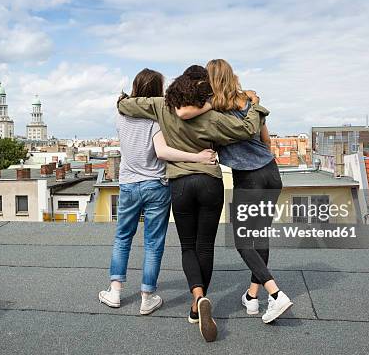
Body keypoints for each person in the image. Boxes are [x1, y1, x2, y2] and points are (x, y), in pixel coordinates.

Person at [117, 65, 269, 341]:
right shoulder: (212, 116)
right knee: (204, 246)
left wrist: (122, 99)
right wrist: (256, 105)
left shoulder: (161, 105)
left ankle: (197, 297)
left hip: (180, 185)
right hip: (210, 183)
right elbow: (248, 129)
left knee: (188, 246)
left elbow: (128, 106)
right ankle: (197, 308)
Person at [175, 59, 293, 324]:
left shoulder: (210, 108)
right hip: (271, 173)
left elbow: (185, 116)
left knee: (243, 242)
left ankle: (275, 294)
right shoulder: (249, 102)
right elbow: (266, 140)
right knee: (260, 237)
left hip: (248, 179)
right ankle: (252, 297)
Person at [99, 68, 217, 316]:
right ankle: (147, 296)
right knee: (153, 243)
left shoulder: (121, 114)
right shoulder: (156, 117)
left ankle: (115, 291)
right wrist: (197, 157)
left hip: (129, 183)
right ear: (155, 90)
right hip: (156, 185)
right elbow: (162, 152)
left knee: (123, 238)